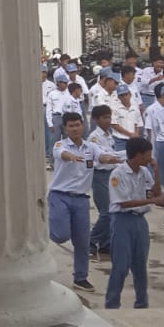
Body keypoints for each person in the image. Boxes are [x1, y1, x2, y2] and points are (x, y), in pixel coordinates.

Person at [105, 136, 161, 310]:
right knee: (121, 266)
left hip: (139, 221)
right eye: (147, 155)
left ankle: (142, 303)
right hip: (122, 220)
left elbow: (155, 192)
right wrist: (151, 202)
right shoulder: (118, 174)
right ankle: (112, 303)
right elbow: (123, 202)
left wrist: (157, 172)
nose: (149, 158)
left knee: (140, 266)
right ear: (137, 155)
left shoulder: (145, 172)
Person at [47, 111, 97, 292]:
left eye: (78, 125)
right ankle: (45, 228)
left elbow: (103, 156)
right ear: (65, 129)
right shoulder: (60, 145)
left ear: (83, 125)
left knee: (83, 242)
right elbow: (63, 154)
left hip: (82, 200)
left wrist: (114, 159)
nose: (75, 128)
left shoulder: (91, 148)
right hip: (60, 196)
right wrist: (72, 157)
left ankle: (81, 277)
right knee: (60, 235)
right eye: (71, 126)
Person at [86, 105, 123, 260]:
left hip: (111, 174)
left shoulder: (109, 135)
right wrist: (122, 158)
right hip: (100, 175)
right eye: (104, 117)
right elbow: (104, 156)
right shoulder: (94, 137)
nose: (108, 120)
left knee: (114, 210)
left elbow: (113, 153)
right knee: (106, 212)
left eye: (109, 117)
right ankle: (91, 241)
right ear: (96, 119)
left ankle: (106, 243)